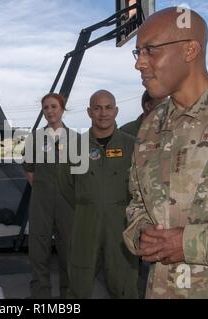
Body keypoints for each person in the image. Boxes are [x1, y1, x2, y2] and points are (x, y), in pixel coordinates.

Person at [124, 7, 208, 298]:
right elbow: (137, 203)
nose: (140, 64)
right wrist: (142, 234)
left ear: (190, 50)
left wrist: (191, 243)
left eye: (150, 50)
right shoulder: (151, 127)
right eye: (138, 53)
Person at [58, 90, 139, 299]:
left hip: (121, 223)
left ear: (116, 111)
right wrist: (88, 204)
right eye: (97, 108)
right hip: (85, 222)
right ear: (89, 112)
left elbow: (141, 184)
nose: (103, 113)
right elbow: (65, 184)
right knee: (79, 280)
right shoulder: (74, 147)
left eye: (108, 107)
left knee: (124, 282)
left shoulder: (132, 146)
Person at [22, 93, 75, 298]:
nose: (50, 111)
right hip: (41, 202)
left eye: (54, 106)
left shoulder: (76, 139)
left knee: (68, 251)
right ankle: (41, 296)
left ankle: (68, 296)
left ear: (62, 108)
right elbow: (28, 169)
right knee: (38, 251)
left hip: (67, 204)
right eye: (46, 108)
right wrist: (44, 188)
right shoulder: (34, 139)